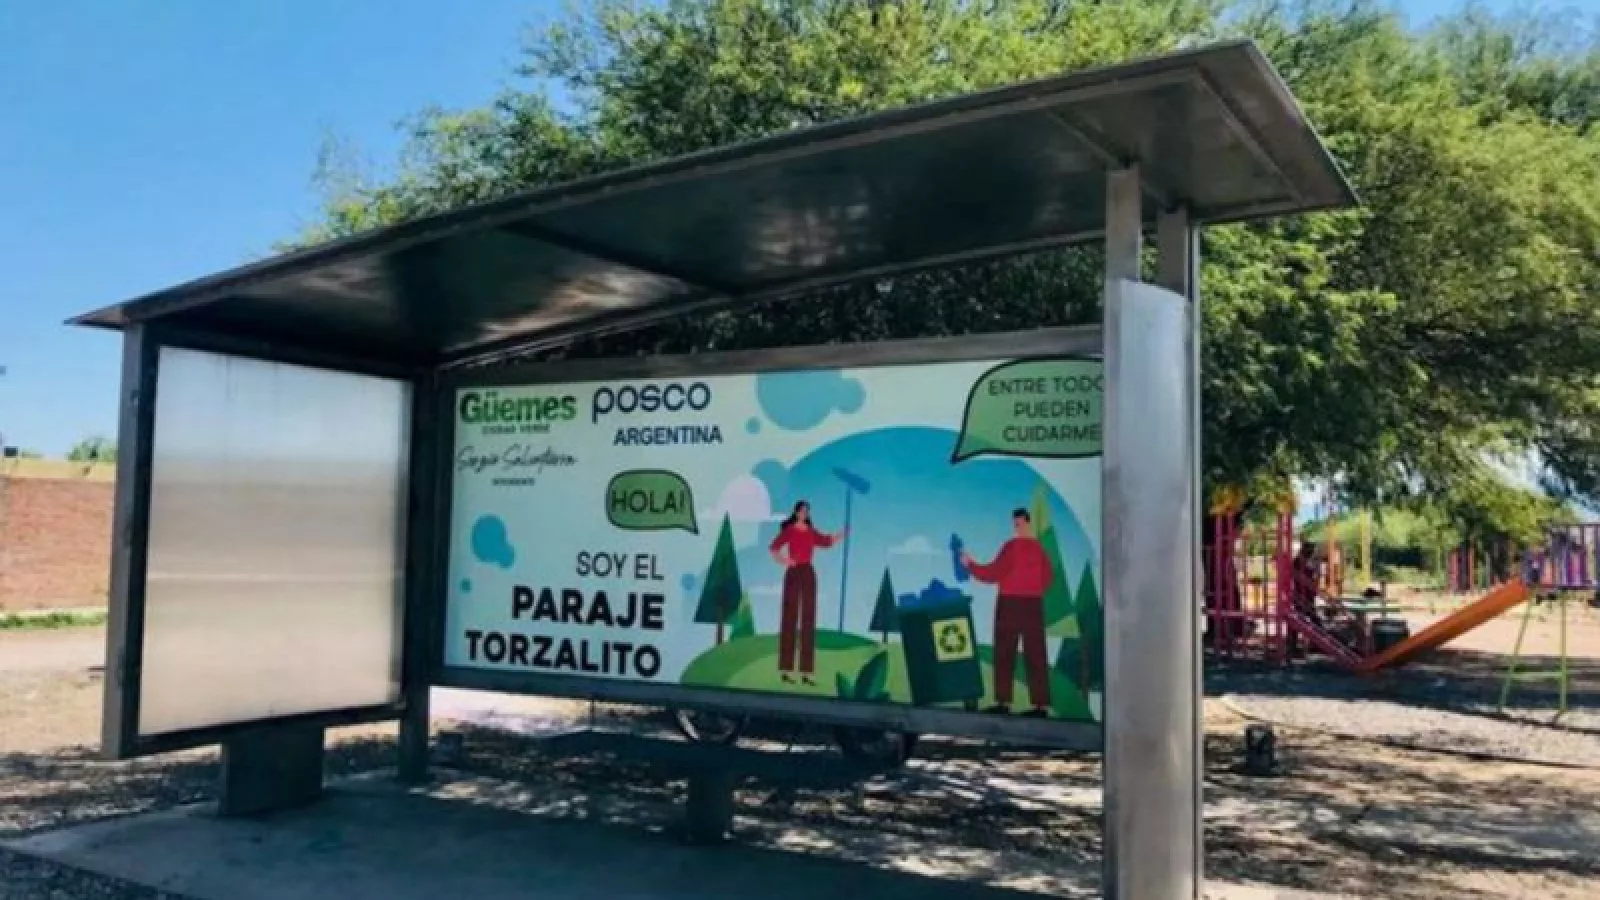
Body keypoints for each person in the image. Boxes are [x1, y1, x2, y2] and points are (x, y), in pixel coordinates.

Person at [961, 508, 1052, 716]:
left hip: (1010, 602)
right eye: (1015, 524)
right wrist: (1033, 589)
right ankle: (1040, 705)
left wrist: (970, 565)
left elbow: (994, 572)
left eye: (1018, 524)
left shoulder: (1012, 547)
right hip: (1033, 605)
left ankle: (1003, 703)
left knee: (1004, 652)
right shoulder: (1039, 549)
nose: (1016, 528)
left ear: (1027, 523)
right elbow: (1048, 577)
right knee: (1035, 653)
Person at [769, 501, 845, 685]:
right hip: (793, 572)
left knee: (808, 619)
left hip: (808, 573)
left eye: (807, 511)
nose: (805, 513)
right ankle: (786, 669)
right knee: (789, 618)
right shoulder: (790, 530)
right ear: (796, 512)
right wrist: (785, 561)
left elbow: (826, 541)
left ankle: (806, 672)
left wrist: (840, 535)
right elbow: (774, 547)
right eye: (802, 511)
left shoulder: (811, 531)